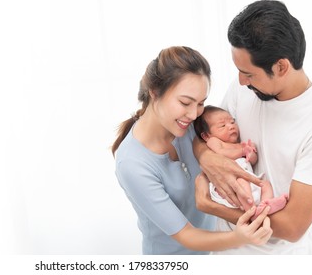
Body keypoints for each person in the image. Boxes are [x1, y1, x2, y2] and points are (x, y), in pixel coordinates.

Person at [193, 0, 312, 254]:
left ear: (281, 66)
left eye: (249, 74)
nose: (241, 81)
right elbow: (203, 135)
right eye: (239, 71)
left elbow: (292, 226)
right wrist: (207, 157)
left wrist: (212, 206)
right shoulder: (244, 88)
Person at [112, 46, 272, 255]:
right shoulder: (132, 164)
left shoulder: (189, 126)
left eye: (201, 103)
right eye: (185, 102)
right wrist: (238, 238)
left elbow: (205, 143)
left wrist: (205, 155)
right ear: (154, 92)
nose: (193, 113)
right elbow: (186, 234)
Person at [193, 105, 288, 220]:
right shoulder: (214, 142)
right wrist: (242, 151)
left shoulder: (239, 144)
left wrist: (251, 154)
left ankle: (265, 204)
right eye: (222, 125)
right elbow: (221, 154)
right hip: (229, 184)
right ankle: (251, 210)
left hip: (248, 179)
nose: (231, 127)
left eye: (232, 122)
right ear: (206, 135)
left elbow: (252, 161)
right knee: (242, 183)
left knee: (265, 184)